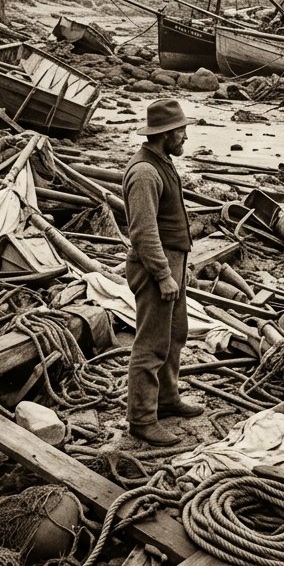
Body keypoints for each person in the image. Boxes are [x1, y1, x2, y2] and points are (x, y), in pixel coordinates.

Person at [123, 98, 204, 446]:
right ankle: (141, 418)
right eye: (181, 130)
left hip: (173, 262)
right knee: (152, 343)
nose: (185, 136)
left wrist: (178, 269)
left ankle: (167, 399)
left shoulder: (162, 161)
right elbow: (143, 231)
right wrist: (163, 275)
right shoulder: (144, 172)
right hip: (156, 266)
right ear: (166, 133)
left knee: (175, 334)